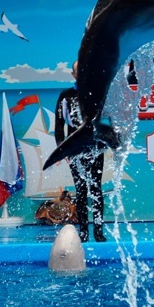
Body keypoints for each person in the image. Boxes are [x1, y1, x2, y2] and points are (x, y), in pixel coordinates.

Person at [54, 61, 106, 242]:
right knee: (81, 189)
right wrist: (62, 149)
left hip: (95, 148)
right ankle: (83, 230)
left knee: (96, 188)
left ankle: (98, 230)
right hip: (76, 149)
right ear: (73, 74)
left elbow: (106, 120)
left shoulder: (98, 93)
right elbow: (59, 125)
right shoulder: (66, 96)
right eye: (79, 71)